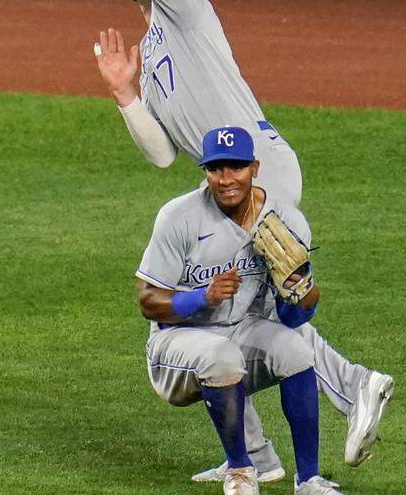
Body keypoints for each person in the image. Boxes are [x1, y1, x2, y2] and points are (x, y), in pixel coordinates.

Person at [29, 0, 393, 482]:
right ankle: (258, 458)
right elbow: (163, 157)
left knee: (248, 317)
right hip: (223, 172)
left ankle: (357, 385)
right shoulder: (152, 51)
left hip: (261, 167)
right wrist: (124, 94)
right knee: (221, 320)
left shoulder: (189, 14)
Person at [137, 126, 341, 495]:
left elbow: (294, 318)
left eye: (236, 168)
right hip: (176, 344)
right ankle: (241, 470)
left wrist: (301, 292)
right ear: (205, 172)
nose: (226, 179)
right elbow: (148, 301)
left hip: (240, 330)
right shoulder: (179, 218)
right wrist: (202, 298)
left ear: (255, 167)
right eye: (215, 169)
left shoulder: (286, 222)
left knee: (296, 349)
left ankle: (309, 479)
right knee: (221, 356)